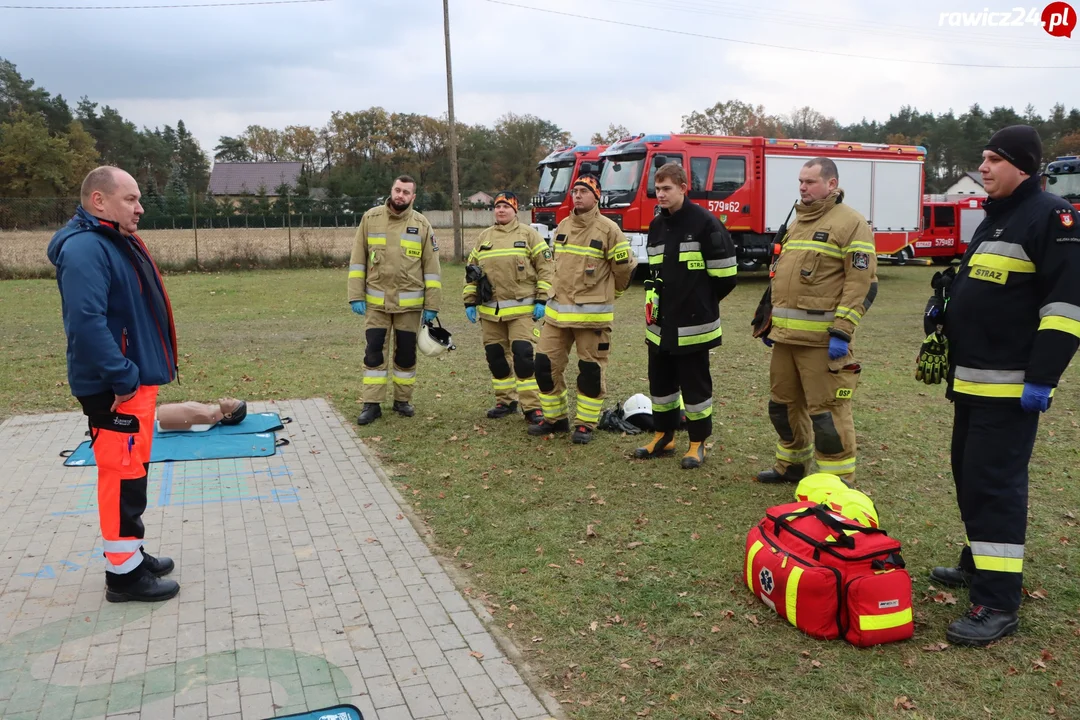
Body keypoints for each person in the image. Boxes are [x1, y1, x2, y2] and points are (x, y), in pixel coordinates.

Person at [917, 125, 1080, 646]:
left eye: (993, 159)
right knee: (969, 475)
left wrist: (1042, 378)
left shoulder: (1053, 217)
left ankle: (998, 602)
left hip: (1011, 387)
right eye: (983, 158)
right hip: (972, 381)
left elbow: (1065, 308)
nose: (982, 168)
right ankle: (977, 565)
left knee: (994, 486)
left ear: (1022, 165)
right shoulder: (998, 216)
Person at [46, 166, 180, 603]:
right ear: (99, 200)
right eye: (131, 199)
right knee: (120, 474)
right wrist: (122, 375)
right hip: (116, 386)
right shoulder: (86, 248)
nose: (140, 208)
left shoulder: (110, 239)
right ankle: (122, 576)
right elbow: (85, 324)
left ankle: (130, 554)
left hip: (132, 381)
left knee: (132, 471)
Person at [756, 157, 878, 486]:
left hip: (823, 342)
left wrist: (842, 330)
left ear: (831, 184)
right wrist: (770, 321)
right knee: (781, 407)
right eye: (800, 181)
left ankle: (837, 483)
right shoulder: (796, 224)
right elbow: (780, 276)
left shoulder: (851, 223)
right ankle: (791, 466)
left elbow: (861, 282)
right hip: (785, 339)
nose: (802, 187)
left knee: (826, 414)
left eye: (810, 182)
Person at [633, 163, 737, 469]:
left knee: (695, 386)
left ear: (683, 188)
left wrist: (698, 301)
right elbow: (654, 274)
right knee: (660, 383)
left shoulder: (705, 223)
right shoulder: (656, 225)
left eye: (667, 189)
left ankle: (697, 442)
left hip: (694, 325)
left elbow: (727, 276)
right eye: (657, 189)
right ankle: (664, 435)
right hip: (660, 324)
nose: (661, 195)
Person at [529, 175, 637, 443]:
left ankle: (585, 424)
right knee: (544, 365)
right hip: (557, 315)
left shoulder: (609, 230)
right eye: (574, 190)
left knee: (590, 372)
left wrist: (614, 293)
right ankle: (555, 419)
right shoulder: (563, 225)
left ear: (596, 196)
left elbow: (624, 269)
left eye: (583, 191)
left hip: (592, 318)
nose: (577, 195)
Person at [349, 176, 442, 425]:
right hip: (376, 304)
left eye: (406, 192)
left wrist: (432, 305)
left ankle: (402, 401)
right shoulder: (370, 219)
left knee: (406, 355)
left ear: (413, 197)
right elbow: (358, 259)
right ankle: (372, 404)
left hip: (409, 307)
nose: (400, 195)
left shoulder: (422, 225)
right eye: (397, 190)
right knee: (373, 353)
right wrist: (355, 295)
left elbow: (432, 269)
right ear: (391, 190)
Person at [463, 191, 554, 423]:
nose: (500, 210)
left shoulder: (529, 235)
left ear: (515, 210)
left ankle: (532, 407)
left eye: (506, 206)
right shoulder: (484, 237)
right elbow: (471, 272)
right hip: (490, 313)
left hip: (522, 311)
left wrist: (542, 299)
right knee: (496, 358)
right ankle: (506, 401)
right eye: (497, 206)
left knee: (524, 358)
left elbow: (546, 268)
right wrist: (470, 302)